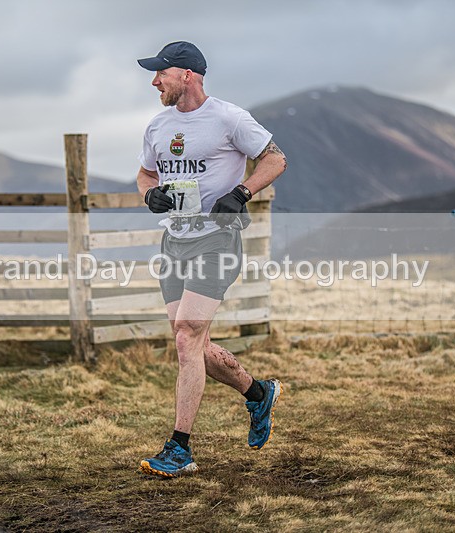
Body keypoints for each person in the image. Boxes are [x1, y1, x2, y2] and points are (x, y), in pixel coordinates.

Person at [135, 41, 288, 477]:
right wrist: (151, 194)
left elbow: (275, 159)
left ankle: (179, 448)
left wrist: (241, 193)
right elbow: (145, 173)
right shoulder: (157, 125)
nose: (154, 81)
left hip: (216, 241)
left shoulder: (229, 118)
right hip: (174, 243)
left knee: (186, 337)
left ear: (187, 74)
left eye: (160, 73)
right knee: (193, 345)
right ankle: (258, 393)